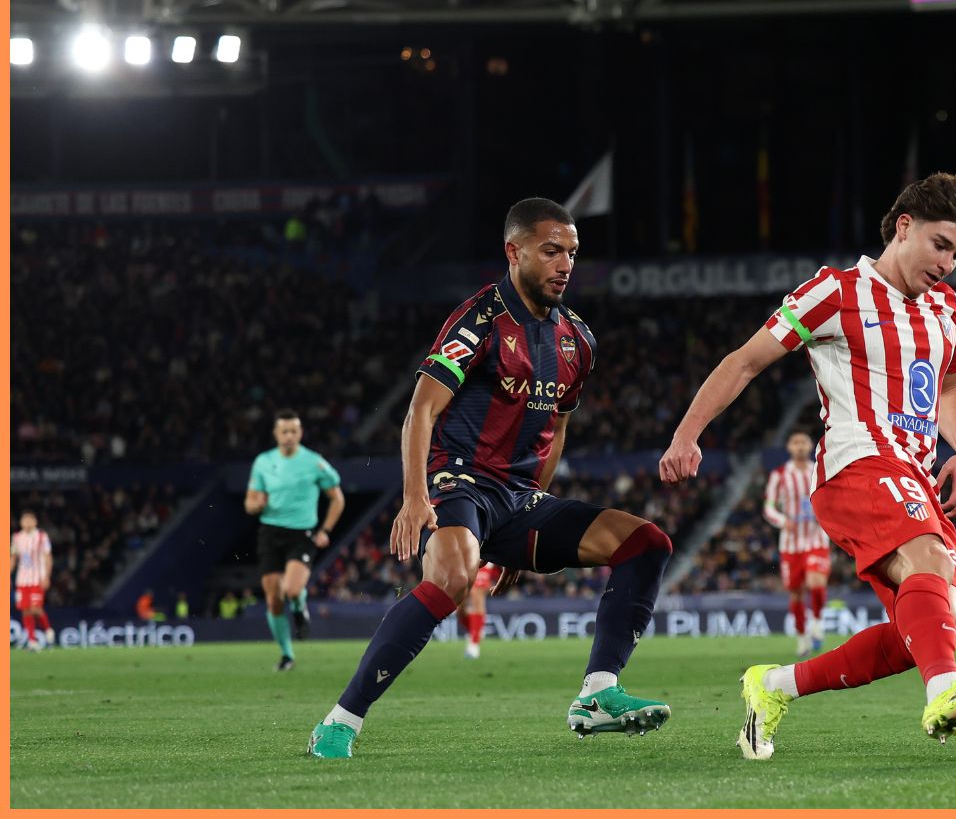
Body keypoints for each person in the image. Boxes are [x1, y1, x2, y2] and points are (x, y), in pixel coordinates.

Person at [660, 172, 956, 760]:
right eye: (940, 245)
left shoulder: (948, 309)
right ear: (903, 227)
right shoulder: (835, 291)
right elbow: (746, 361)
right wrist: (687, 434)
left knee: (935, 622)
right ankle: (944, 693)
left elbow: (951, 385)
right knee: (929, 565)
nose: (948, 265)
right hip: (857, 464)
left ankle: (774, 685)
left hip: (913, 474)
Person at [308, 198, 674, 760]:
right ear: (514, 251)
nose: (565, 264)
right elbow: (421, 410)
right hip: (461, 481)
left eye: (572, 253)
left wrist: (533, 509)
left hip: (519, 497)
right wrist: (414, 497)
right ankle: (340, 722)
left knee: (646, 543)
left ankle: (598, 694)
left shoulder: (578, 340)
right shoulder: (479, 319)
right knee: (454, 577)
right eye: (551, 251)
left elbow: (555, 429)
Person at [245, 409, 346, 670]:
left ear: (300, 433)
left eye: (293, 431)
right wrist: (257, 505)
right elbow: (250, 502)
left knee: (291, 590)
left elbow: (337, 498)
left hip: (301, 534)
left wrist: (325, 530)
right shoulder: (263, 462)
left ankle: (299, 605)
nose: (289, 436)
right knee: (273, 600)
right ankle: (287, 655)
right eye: (284, 431)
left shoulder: (314, 462)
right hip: (270, 532)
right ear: (276, 434)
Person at [763, 429, 831, 657]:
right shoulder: (780, 475)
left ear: (810, 446)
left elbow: (832, 498)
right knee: (796, 594)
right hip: (790, 544)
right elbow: (768, 507)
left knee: (816, 583)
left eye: (803, 442)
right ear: (789, 447)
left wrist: (827, 515)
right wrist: (783, 521)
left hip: (816, 538)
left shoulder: (820, 470)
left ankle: (818, 622)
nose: (800, 446)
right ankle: (802, 637)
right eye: (795, 442)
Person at [11, 510, 54, 651]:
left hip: (37, 578)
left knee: (36, 608)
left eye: (30, 520)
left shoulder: (41, 536)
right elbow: (13, 558)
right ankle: (32, 641)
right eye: (25, 520)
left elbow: (48, 557)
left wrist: (47, 576)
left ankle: (48, 629)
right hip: (22, 580)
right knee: (25, 610)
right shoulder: (16, 538)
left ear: (35, 522)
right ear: (21, 522)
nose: (27, 523)